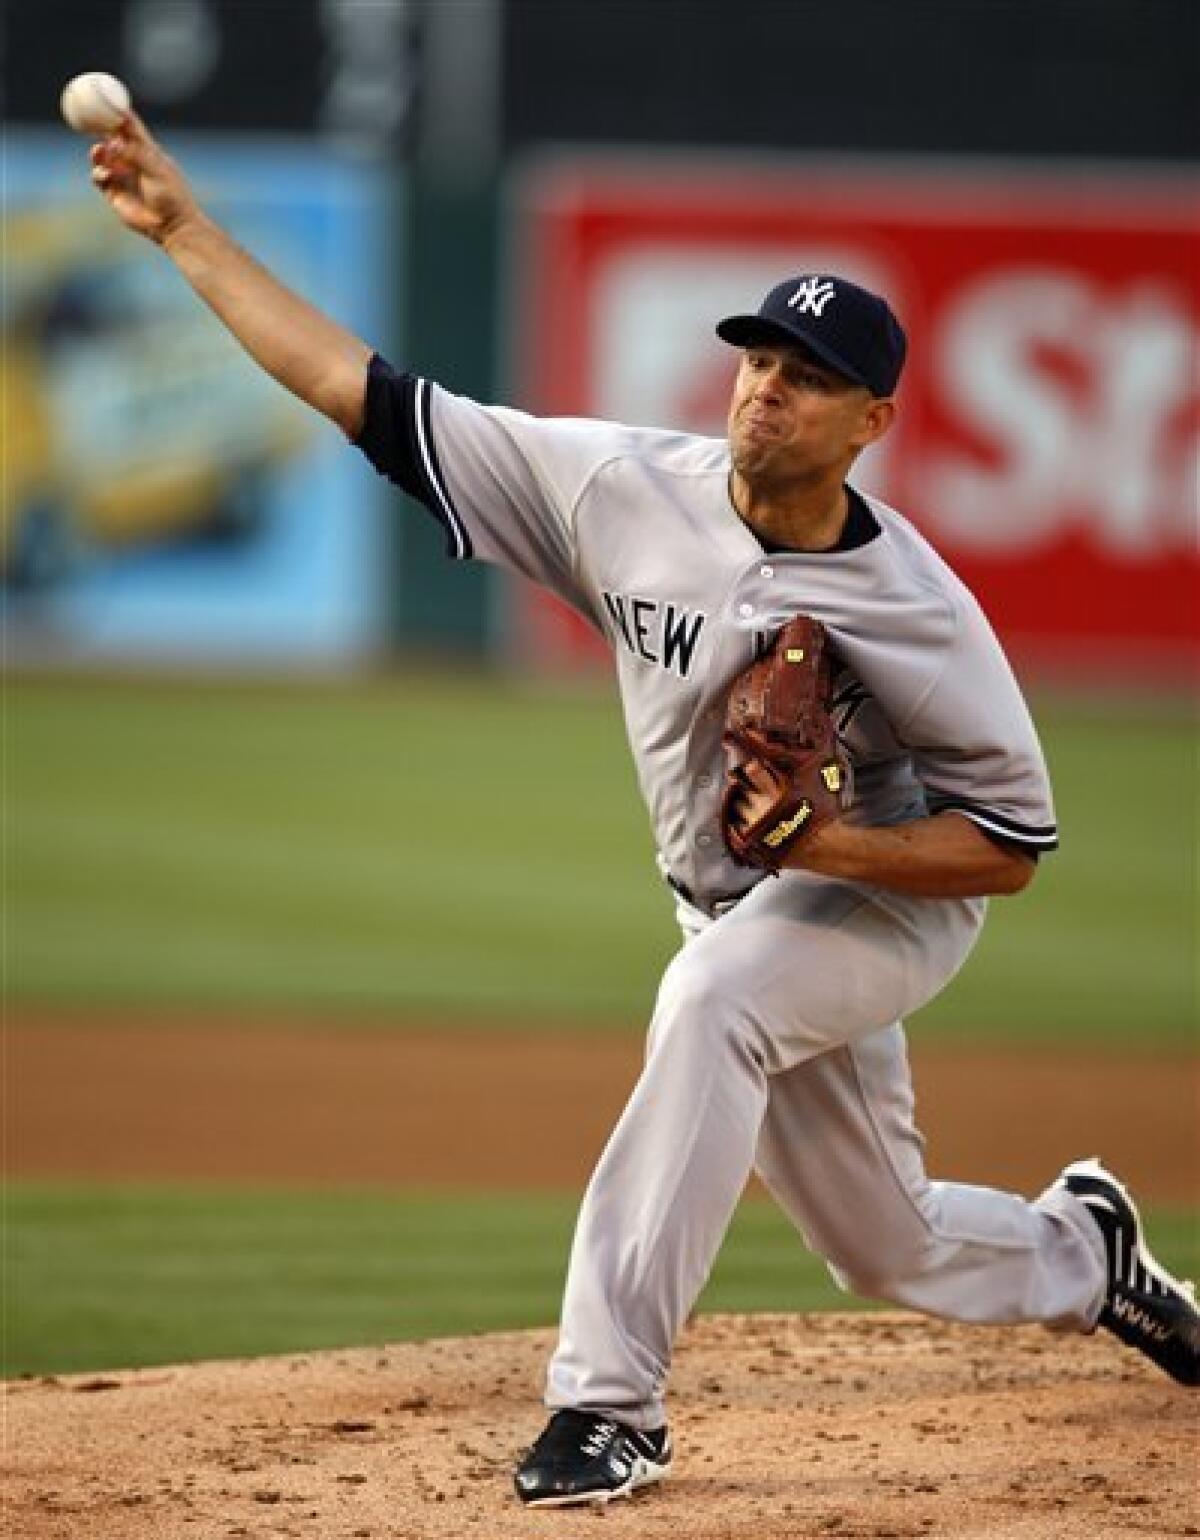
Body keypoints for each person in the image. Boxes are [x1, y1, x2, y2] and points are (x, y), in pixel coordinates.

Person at [89, 114, 1198, 1510]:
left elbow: (1014, 848)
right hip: (733, 899)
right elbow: (359, 392)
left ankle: (610, 1406)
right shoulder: (620, 490)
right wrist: (186, 229)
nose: (768, 391)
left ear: (874, 422)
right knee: (885, 1246)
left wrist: (835, 845)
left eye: (811, 379)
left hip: (887, 897)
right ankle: (1091, 1257)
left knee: (713, 1003)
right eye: (760, 360)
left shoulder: (922, 613)